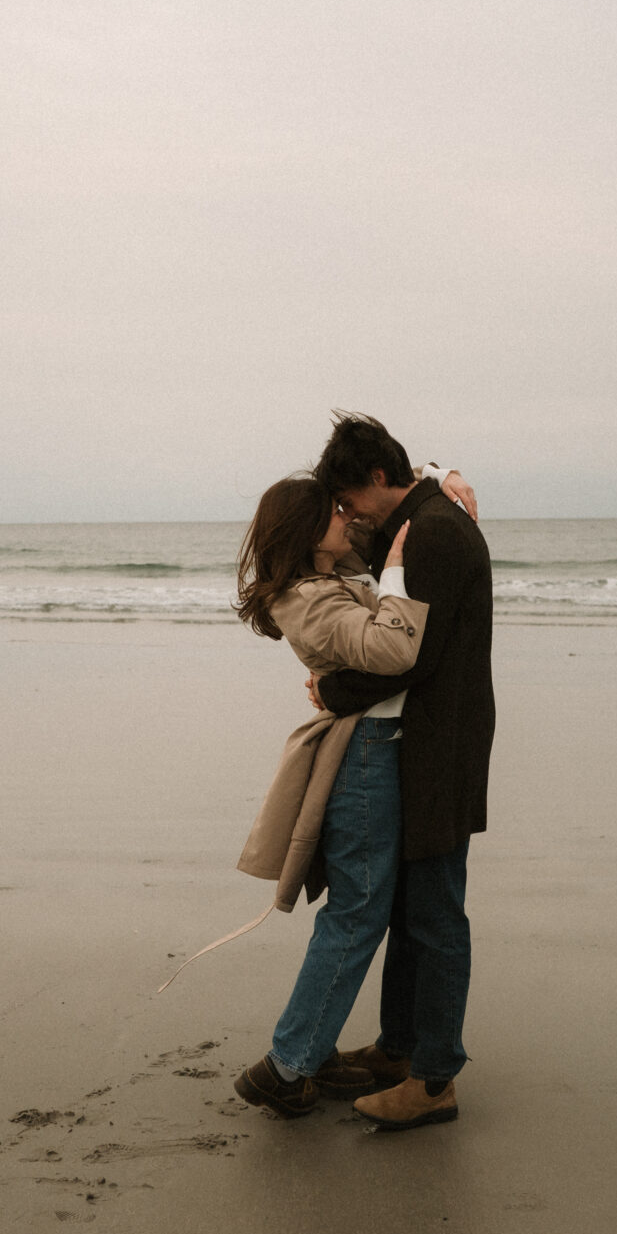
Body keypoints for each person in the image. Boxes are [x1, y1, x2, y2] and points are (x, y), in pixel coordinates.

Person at [311, 413, 494, 1132]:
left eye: (351, 498)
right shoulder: (416, 515)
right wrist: (442, 466)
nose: (348, 513)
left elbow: (412, 653)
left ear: (382, 478)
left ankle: (434, 1077)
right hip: (428, 741)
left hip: (440, 747)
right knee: (409, 907)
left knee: (437, 912)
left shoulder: (435, 534)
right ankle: (399, 1048)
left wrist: (332, 692)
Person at [228, 476, 428, 1115]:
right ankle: (287, 1066)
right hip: (365, 754)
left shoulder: (332, 569)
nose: (348, 517)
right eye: (333, 512)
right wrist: (394, 574)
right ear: (305, 529)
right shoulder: (308, 597)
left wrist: (440, 472)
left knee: (362, 907)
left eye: (344, 507)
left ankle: (302, 1054)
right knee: (357, 910)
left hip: (378, 745)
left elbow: (386, 493)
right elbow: (395, 648)